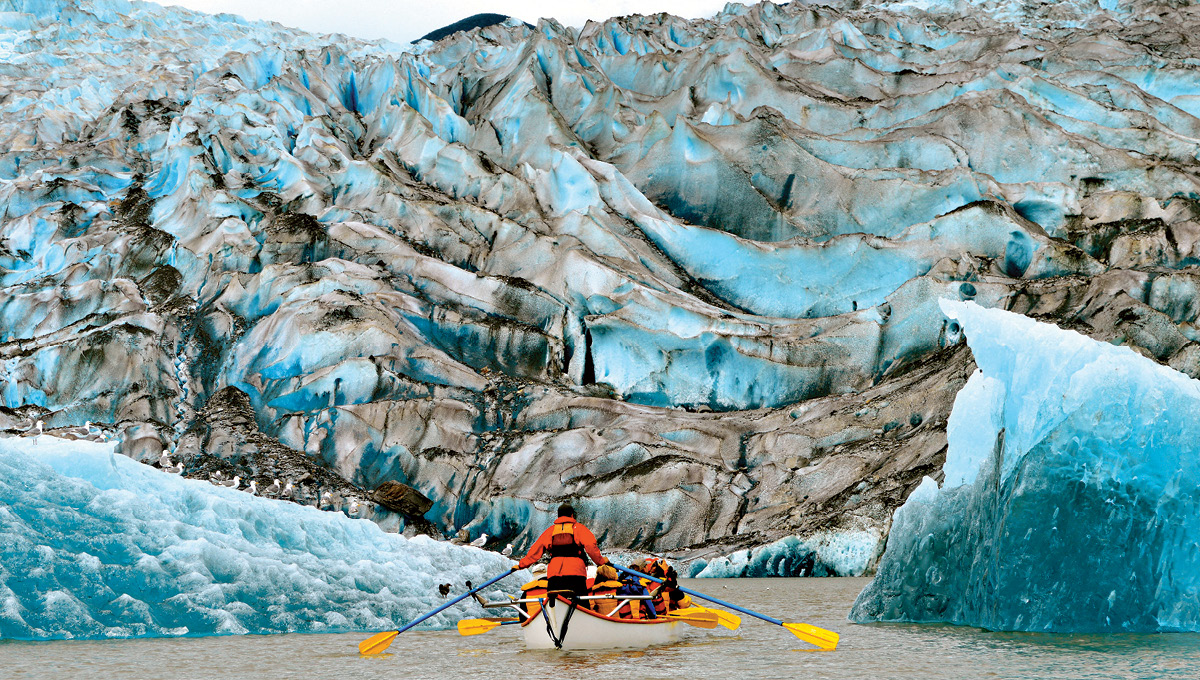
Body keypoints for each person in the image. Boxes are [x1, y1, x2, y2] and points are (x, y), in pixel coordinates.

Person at [512, 502, 608, 605]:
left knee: (555, 603)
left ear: (558, 515)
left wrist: (522, 565)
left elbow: (535, 550)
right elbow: (591, 547)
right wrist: (601, 563)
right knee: (581, 603)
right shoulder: (579, 528)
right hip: (576, 574)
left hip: (555, 575)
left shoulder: (550, 531)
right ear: (572, 515)